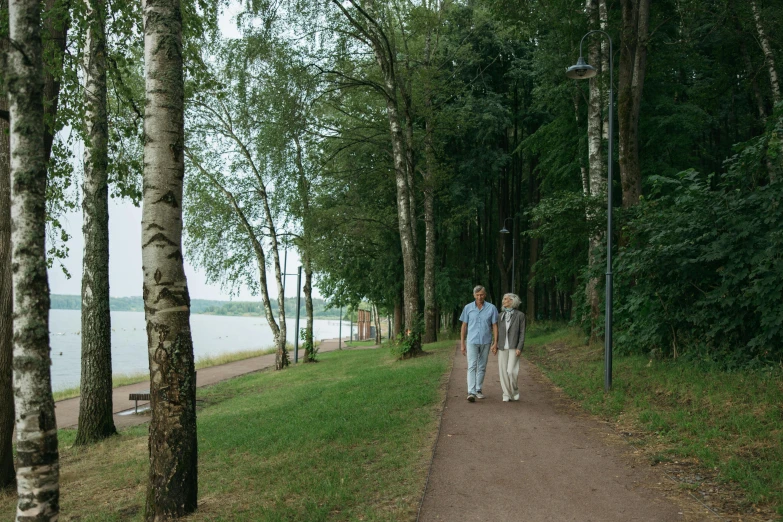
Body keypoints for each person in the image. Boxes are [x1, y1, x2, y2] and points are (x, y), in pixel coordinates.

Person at [459, 285, 498, 402]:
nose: (479, 297)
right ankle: (471, 392)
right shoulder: (468, 308)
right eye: (477, 295)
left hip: (486, 341)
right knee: (472, 365)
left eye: (481, 294)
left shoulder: (491, 308)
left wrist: (495, 342)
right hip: (472, 341)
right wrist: (462, 343)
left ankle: (478, 389)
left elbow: (495, 326)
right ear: (474, 295)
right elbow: (464, 326)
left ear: (485, 295)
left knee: (482, 366)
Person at [492, 293, 526, 402]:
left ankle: (515, 390)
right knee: (503, 371)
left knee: (511, 371)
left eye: (507, 299)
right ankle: (506, 393)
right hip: (502, 346)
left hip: (514, 346)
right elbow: (496, 332)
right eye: (504, 299)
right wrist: (495, 343)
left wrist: (519, 347)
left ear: (512, 301)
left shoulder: (520, 315)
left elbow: (522, 333)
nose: (504, 300)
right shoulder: (500, 315)